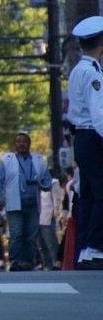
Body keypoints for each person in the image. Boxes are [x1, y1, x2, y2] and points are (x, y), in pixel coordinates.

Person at [67, 15, 103, 270]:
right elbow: (98, 113)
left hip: (81, 137)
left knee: (90, 194)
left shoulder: (78, 70)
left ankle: (88, 250)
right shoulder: (92, 73)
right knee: (101, 193)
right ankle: (96, 247)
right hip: (93, 135)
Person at [0, 132, 52, 271]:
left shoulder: (38, 160)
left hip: (32, 203)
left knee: (31, 235)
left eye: (24, 141)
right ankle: (15, 261)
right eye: (18, 141)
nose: (21, 144)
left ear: (29, 144)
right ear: (14, 144)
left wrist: (42, 184)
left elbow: (47, 180)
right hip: (14, 203)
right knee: (16, 233)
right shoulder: (6, 160)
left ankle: (27, 261)